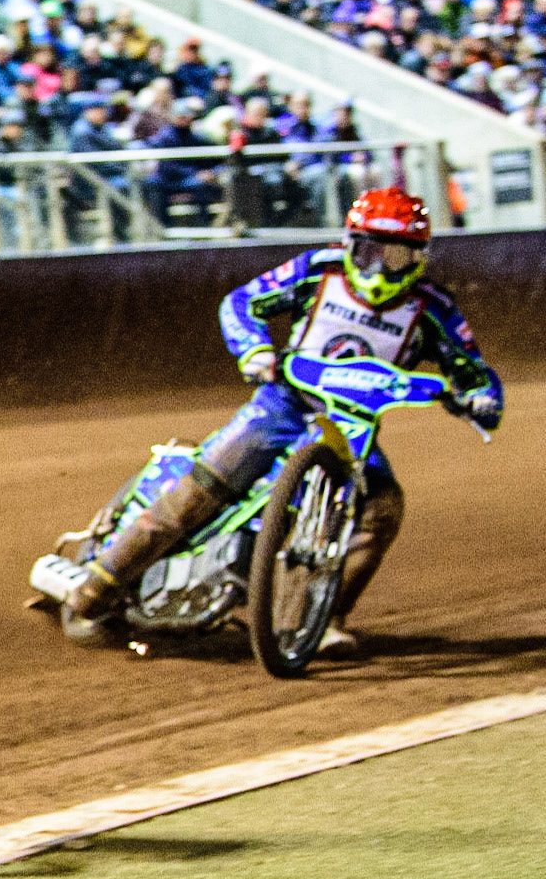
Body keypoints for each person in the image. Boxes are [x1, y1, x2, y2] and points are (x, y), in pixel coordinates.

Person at [64, 189, 503, 653]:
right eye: (369, 250)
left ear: (418, 258)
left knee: (382, 508)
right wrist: (253, 349)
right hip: (283, 403)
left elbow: (473, 370)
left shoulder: (434, 308)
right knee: (208, 482)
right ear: (350, 243)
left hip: (353, 425)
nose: (379, 266)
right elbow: (241, 302)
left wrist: (479, 399)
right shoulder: (318, 269)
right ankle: (99, 584)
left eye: (395, 255)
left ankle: (325, 617)